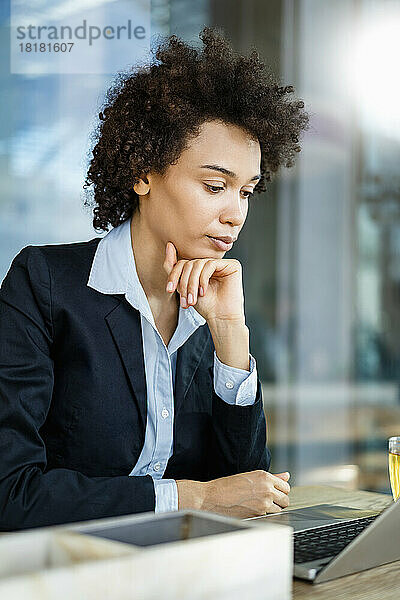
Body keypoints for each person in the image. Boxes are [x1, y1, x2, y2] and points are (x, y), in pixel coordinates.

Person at [0, 27, 309, 531]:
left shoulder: (210, 304)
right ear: (143, 173)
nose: (235, 214)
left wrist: (230, 334)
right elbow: (11, 493)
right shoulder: (43, 284)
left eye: (248, 191)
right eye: (215, 185)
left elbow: (242, 496)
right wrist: (190, 497)